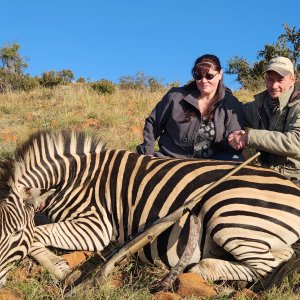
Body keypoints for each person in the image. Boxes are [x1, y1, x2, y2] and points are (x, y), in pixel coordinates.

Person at [136, 54, 245, 160]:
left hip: (212, 163)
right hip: (172, 158)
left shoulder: (231, 104)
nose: (203, 81)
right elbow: (153, 122)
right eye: (198, 76)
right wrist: (147, 151)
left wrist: (236, 140)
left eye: (209, 76)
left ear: (220, 74)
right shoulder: (175, 96)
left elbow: (234, 141)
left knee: (237, 160)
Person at [228, 56, 300, 180]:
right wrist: (221, 93)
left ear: (292, 80)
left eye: (280, 80)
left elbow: (296, 143)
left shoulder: (297, 106)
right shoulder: (258, 105)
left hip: (294, 177)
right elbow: (236, 112)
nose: (274, 85)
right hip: (265, 173)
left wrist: (249, 137)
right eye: (270, 79)